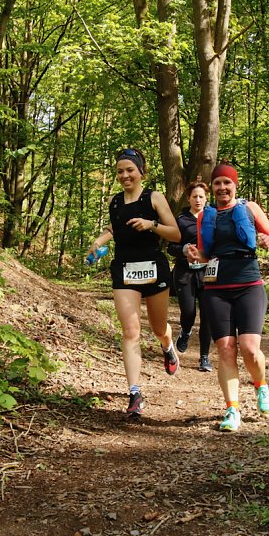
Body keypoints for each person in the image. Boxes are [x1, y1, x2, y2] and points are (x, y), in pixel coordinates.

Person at [86, 148, 182, 419]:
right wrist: (98, 242)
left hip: (154, 267)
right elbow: (115, 228)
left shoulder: (154, 197)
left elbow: (175, 233)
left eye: (130, 169)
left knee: (158, 327)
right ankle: (134, 393)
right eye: (120, 171)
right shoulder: (116, 202)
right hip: (125, 270)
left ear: (141, 171)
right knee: (130, 331)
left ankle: (167, 345)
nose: (125, 175)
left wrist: (151, 224)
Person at [185, 162, 269, 432]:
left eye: (227, 183)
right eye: (218, 183)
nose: (222, 188)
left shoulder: (249, 208)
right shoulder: (207, 215)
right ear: (212, 188)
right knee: (225, 349)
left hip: (249, 284)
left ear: (235, 185)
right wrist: (196, 256)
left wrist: (268, 241)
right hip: (216, 288)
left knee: (250, 348)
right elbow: (204, 254)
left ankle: (261, 386)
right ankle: (232, 409)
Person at [167, 179, 213, 372]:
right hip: (185, 273)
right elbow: (170, 247)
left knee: (208, 315)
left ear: (206, 198)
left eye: (201, 196)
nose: (198, 200)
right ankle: (185, 331)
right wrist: (184, 249)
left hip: (208, 273)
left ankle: (204, 357)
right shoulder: (181, 219)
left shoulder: (213, 217)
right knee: (188, 312)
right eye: (194, 196)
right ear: (188, 198)